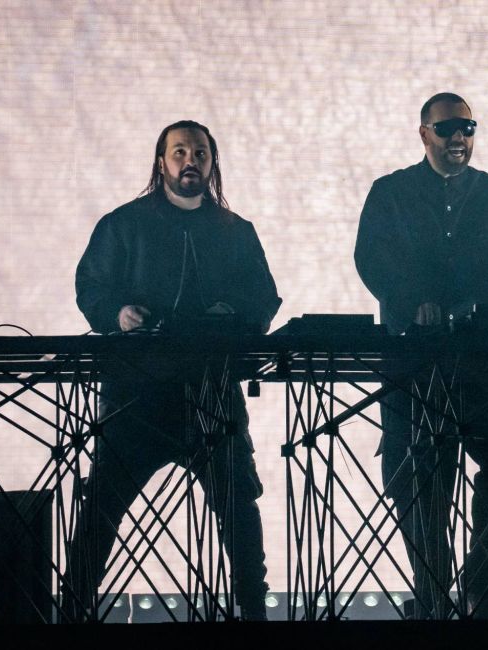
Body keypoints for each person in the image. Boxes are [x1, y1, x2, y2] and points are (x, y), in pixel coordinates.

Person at [67, 120, 280, 621]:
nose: (191, 160)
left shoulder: (236, 231)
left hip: (212, 393)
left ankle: (254, 613)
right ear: (161, 161)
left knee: (238, 505)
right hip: (135, 395)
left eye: (200, 152)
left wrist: (237, 315)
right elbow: (91, 289)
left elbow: (264, 298)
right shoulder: (123, 225)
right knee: (102, 506)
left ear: (212, 161)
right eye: (180, 151)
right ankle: (72, 608)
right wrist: (117, 314)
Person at [354, 93, 488, 619]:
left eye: (468, 128)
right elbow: (370, 258)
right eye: (448, 128)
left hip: (480, 358)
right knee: (420, 477)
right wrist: (413, 307)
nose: (459, 138)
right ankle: (431, 594)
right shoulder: (389, 193)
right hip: (413, 358)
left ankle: (480, 586)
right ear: (424, 133)